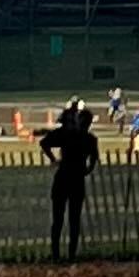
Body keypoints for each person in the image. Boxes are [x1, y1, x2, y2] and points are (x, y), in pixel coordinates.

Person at [40, 98, 102, 261]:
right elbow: (94, 158)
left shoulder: (67, 135)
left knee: (58, 219)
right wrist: (87, 170)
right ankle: (72, 254)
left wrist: (54, 159)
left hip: (63, 176)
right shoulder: (89, 139)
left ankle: (55, 254)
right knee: (74, 219)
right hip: (77, 179)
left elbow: (44, 142)